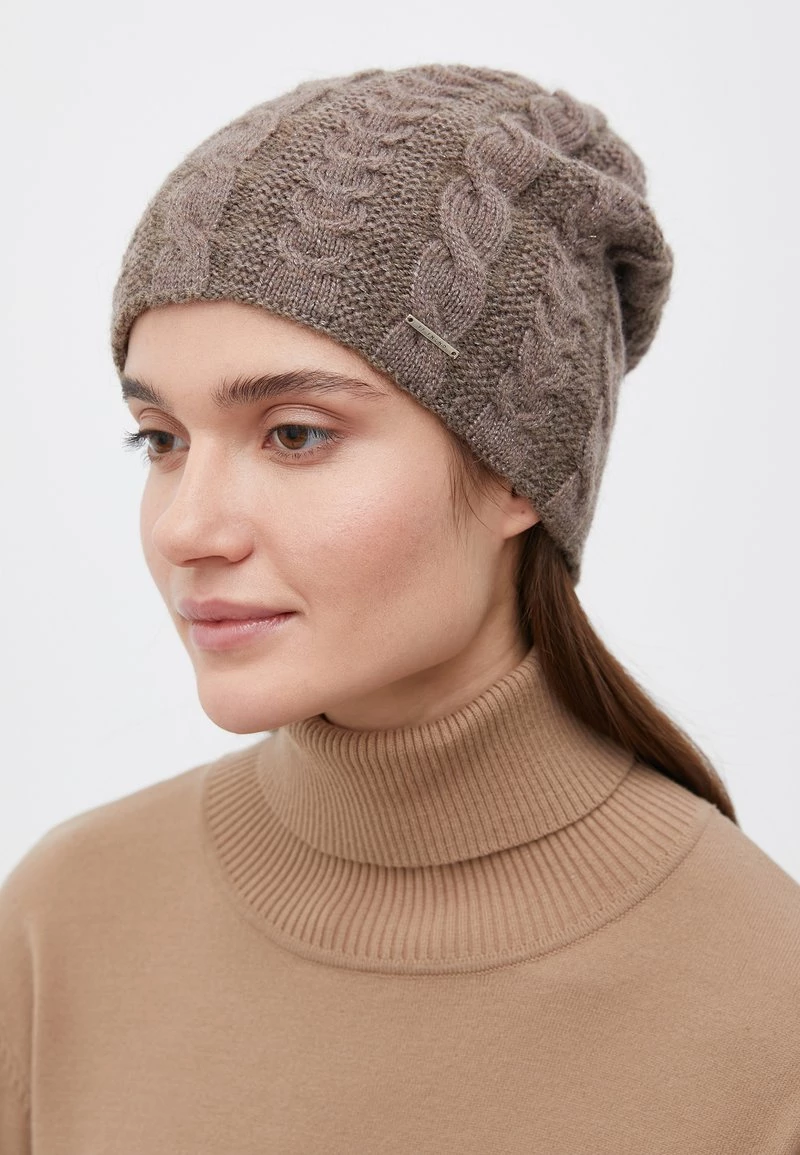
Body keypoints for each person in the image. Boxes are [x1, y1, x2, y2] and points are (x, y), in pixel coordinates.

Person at [1, 62, 798, 1153]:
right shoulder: (63, 924)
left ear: (517, 466)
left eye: (295, 434)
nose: (188, 527)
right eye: (162, 441)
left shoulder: (764, 1004)